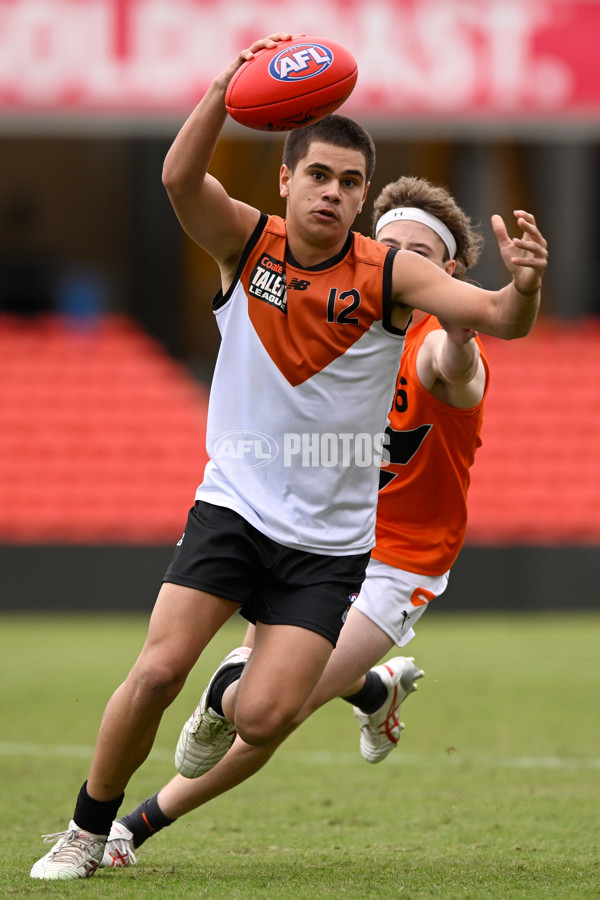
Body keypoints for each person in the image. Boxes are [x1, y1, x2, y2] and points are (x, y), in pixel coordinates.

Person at [30, 31, 547, 881]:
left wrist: (523, 284)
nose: (333, 193)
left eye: (350, 182)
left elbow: (493, 317)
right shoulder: (246, 242)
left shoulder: (390, 275)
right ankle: (88, 830)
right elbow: (175, 180)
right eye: (319, 175)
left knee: (264, 719)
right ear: (284, 177)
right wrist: (223, 90)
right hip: (233, 507)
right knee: (158, 668)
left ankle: (350, 691)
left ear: (362, 196)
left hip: (330, 546)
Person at [97, 173, 490, 867]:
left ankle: (134, 826)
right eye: (387, 245)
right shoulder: (340, 314)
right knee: (267, 688)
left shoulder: (438, 341)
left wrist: (465, 333)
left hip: (398, 558)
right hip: (315, 534)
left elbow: (454, 367)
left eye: (420, 256)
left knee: (275, 710)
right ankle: (374, 686)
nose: (399, 263)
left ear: (448, 273)